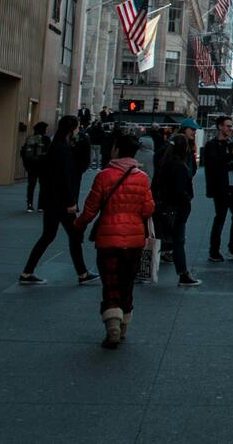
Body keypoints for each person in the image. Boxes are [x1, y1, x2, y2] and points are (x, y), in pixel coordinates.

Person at [75, 132, 155, 349]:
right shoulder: (142, 178)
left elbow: (91, 208)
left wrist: (79, 225)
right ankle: (124, 325)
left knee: (110, 281)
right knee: (127, 282)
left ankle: (112, 326)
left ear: (117, 150)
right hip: (134, 239)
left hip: (108, 239)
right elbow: (148, 209)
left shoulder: (104, 176)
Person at [19, 116, 98, 286]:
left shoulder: (55, 147)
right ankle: (82, 273)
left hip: (51, 200)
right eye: (76, 128)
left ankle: (28, 271)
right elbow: (65, 178)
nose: (77, 131)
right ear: (71, 129)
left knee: (49, 235)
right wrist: (71, 202)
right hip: (62, 202)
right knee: (72, 235)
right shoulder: (64, 151)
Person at [151, 135, 199, 288]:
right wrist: (187, 197)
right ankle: (183, 273)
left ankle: (144, 269)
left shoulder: (163, 163)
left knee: (161, 239)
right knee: (178, 241)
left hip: (163, 207)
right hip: (176, 209)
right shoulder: (179, 166)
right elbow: (180, 191)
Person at [200, 116, 233, 261]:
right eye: (227, 126)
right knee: (220, 218)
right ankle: (214, 250)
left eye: (230, 126)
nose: (230, 129)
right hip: (221, 188)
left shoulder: (232, 144)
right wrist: (231, 156)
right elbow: (214, 164)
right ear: (220, 127)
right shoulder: (212, 145)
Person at [19, 121, 50, 212]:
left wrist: (26, 165)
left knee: (31, 186)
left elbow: (23, 152)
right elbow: (50, 153)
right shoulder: (46, 139)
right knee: (43, 186)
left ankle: (29, 205)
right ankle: (41, 206)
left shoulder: (30, 139)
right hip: (43, 167)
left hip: (31, 167)